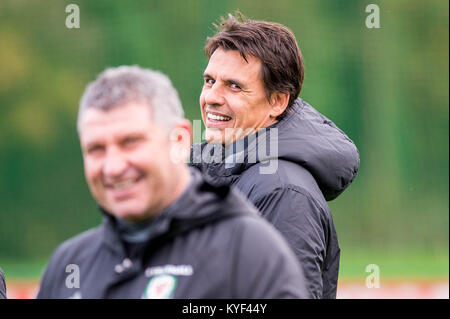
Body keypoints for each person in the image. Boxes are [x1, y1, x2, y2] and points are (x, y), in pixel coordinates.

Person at [36, 66, 309, 299]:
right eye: (96, 149)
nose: (113, 167)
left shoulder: (249, 252)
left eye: (130, 142)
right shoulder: (67, 265)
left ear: (179, 141)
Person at [190, 13, 360, 299]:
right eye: (209, 81)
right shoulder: (232, 173)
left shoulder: (282, 192)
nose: (212, 97)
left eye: (233, 86)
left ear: (277, 101)